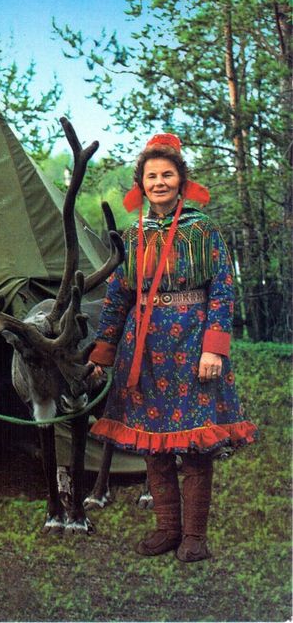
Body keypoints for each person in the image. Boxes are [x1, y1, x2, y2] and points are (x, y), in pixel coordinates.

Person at [89, 133, 257, 562]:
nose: (159, 182)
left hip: (192, 343)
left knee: (196, 442)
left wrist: (214, 349)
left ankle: (195, 537)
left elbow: (222, 290)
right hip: (143, 350)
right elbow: (117, 298)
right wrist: (103, 353)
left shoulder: (202, 229)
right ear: (140, 183)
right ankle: (167, 529)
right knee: (154, 442)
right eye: (151, 176)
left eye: (167, 174)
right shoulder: (133, 235)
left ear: (181, 180)